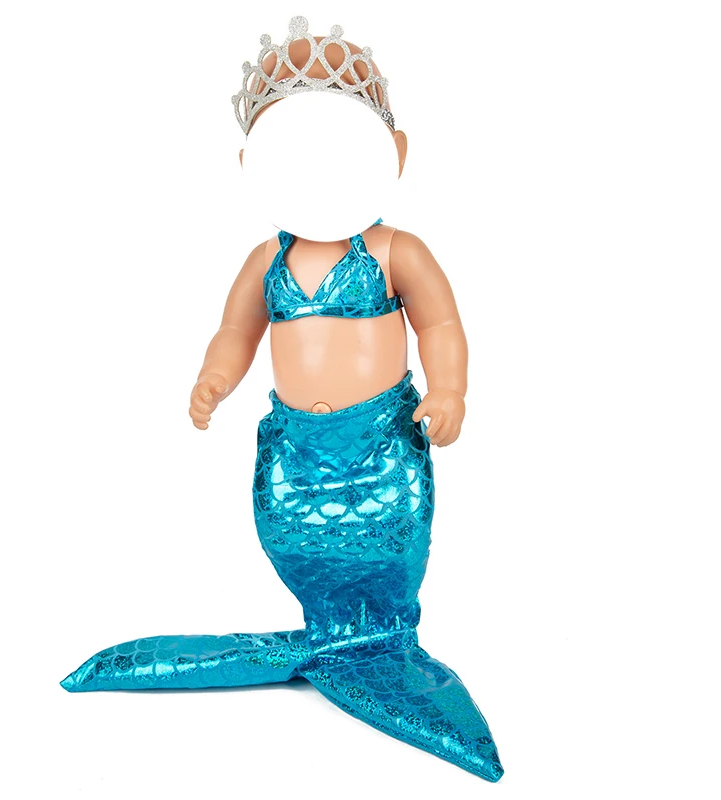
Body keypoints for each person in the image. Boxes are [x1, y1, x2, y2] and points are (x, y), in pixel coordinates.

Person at [61, 17, 503, 783]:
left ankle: (380, 640)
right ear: (253, 166)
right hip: (295, 453)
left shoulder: (395, 250)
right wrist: (215, 378)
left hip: (382, 447)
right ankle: (330, 631)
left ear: (393, 155)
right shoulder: (267, 259)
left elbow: (441, 324)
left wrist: (451, 389)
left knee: (394, 544)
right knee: (287, 536)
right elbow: (236, 331)